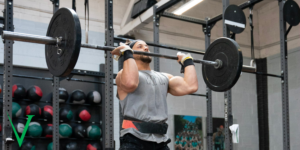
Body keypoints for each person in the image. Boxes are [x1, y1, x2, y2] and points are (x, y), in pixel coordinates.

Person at [112, 40, 198, 150]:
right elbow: (130, 83)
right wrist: (127, 53)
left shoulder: (164, 77)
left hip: (160, 141)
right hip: (134, 139)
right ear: (131, 52)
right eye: (140, 46)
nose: (146, 48)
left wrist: (187, 60)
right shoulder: (122, 75)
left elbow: (191, 86)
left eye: (146, 46)